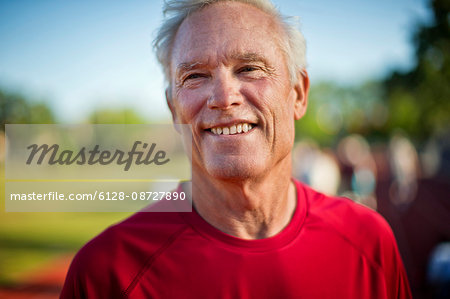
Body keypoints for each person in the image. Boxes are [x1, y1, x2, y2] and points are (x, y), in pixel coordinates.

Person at [61, 0, 412, 298]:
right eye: (195, 76)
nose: (223, 98)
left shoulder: (369, 241)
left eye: (249, 68)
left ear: (299, 93)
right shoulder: (106, 273)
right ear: (173, 108)